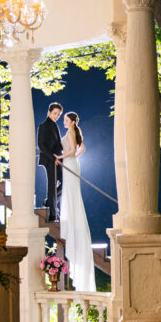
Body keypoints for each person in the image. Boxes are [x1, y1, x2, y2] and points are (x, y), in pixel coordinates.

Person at [59, 111, 96, 291]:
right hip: (72, 164)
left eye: (66, 119)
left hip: (69, 163)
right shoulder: (75, 131)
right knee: (69, 192)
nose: (64, 121)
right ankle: (71, 216)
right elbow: (83, 149)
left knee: (70, 193)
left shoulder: (71, 132)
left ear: (72, 121)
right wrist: (72, 158)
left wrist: (61, 157)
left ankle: (72, 217)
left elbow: (73, 150)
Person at [36, 102, 64, 222]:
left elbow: (58, 144)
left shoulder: (55, 125)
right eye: (54, 113)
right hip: (49, 160)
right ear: (49, 112)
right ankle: (52, 213)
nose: (56, 116)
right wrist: (53, 158)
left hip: (58, 159)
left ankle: (49, 202)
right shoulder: (43, 126)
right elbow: (41, 145)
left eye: (58, 114)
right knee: (52, 185)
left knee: (66, 182)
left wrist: (62, 156)